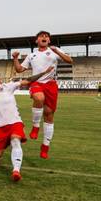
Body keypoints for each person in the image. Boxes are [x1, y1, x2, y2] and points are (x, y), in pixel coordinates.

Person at [12, 30, 73, 159]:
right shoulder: (31, 55)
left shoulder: (54, 51)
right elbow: (19, 70)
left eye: (46, 36)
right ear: (37, 40)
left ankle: (45, 146)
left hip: (51, 85)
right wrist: (15, 58)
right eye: (41, 36)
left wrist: (57, 51)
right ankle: (35, 127)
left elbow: (70, 61)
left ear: (49, 40)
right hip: (37, 82)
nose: (44, 37)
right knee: (38, 98)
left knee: (49, 115)